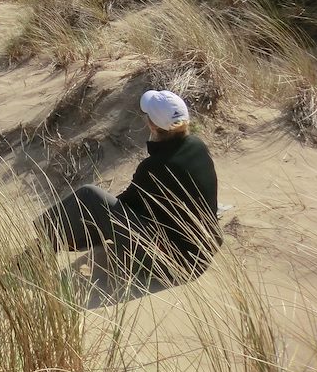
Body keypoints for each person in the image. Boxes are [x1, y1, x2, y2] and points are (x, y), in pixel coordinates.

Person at [35, 89, 222, 282]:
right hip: (203, 253)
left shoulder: (155, 166)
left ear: (151, 125)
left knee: (89, 195)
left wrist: (90, 221)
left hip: (175, 265)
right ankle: (65, 239)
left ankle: (40, 244)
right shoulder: (197, 146)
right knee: (101, 208)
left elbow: (126, 205)